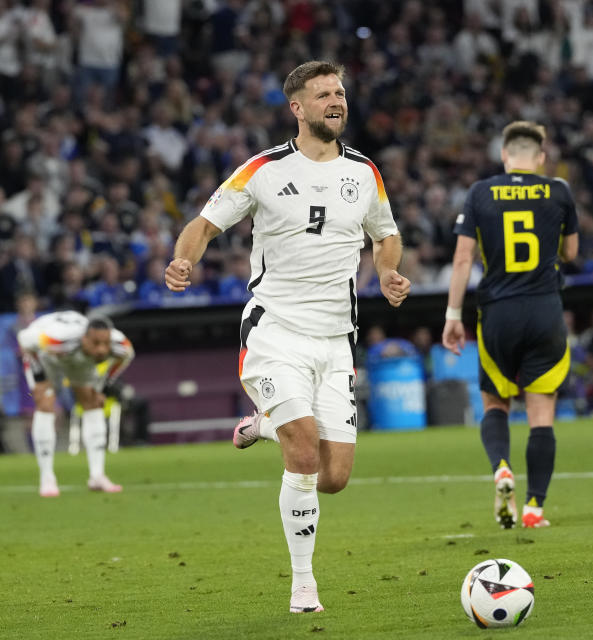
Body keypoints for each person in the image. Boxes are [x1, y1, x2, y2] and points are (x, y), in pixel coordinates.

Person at [164, 61, 410, 614]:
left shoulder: (365, 172)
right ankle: (304, 587)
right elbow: (203, 226)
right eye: (324, 93)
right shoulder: (262, 170)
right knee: (302, 449)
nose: (336, 101)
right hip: (275, 331)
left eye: (340, 92)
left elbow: (386, 234)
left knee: (334, 477)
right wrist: (182, 261)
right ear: (296, 107)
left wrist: (389, 272)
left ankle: (262, 424)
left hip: (334, 340)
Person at [442, 120, 578, 530]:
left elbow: (464, 259)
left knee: (495, 404)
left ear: (504, 155)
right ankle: (535, 508)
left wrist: (452, 315)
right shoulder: (557, 190)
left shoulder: (481, 192)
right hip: (544, 312)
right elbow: (570, 252)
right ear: (540, 158)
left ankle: (502, 469)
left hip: (498, 313)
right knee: (541, 413)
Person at [17, 311, 133, 497]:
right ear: (84, 338)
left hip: (81, 363)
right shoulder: (57, 340)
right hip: (47, 359)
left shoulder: (119, 344)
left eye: (105, 343)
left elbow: (124, 357)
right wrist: (39, 377)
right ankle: (47, 479)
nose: (102, 350)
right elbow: (24, 339)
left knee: (93, 402)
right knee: (46, 403)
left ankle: (97, 476)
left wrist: (103, 387)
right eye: (96, 343)